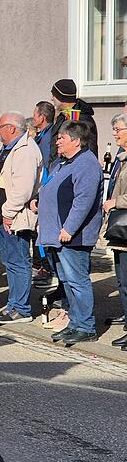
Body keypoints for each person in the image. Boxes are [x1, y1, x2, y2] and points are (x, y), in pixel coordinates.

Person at [34, 121, 103, 345]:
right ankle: (74, 323)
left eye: (62, 138)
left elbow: (83, 200)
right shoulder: (63, 163)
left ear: (76, 141)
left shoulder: (87, 164)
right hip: (57, 234)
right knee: (66, 281)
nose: (57, 141)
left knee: (77, 281)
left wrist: (69, 228)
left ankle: (86, 326)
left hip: (73, 236)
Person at [0, 112, 43, 324]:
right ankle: (13, 305)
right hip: (2, 216)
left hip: (14, 217)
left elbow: (23, 189)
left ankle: (21, 308)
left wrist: (8, 213)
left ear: (11, 128)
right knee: (10, 262)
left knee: (19, 262)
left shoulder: (26, 150)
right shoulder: (7, 148)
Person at [102, 112, 127, 349]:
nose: (115, 133)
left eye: (118, 129)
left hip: (125, 226)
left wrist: (115, 202)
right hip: (121, 231)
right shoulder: (121, 157)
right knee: (122, 279)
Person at [32, 100, 56, 287]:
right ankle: (44, 266)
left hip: (44, 189)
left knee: (43, 232)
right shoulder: (42, 136)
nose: (33, 117)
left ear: (42, 117)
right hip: (41, 189)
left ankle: (47, 269)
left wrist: (41, 194)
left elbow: (46, 166)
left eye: (35, 114)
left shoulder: (48, 139)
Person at [47, 79, 98, 163]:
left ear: (61, 97)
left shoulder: (83, 120)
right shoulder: (62, 116)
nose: (51, 99)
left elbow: (89, 149)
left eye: (54, 95)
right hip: (59, 168)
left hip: (74, 170)